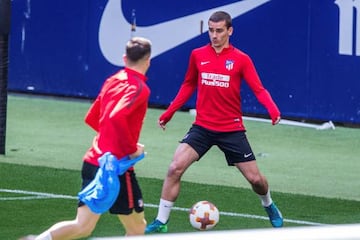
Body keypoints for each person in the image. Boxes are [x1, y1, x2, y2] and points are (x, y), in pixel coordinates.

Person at [145, 11, 283, 233]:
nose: (214, 35)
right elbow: (188, 84)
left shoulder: (241, 59)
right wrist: (169, 112)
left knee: (256, 180)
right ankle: (161, 221)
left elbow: (258, 88)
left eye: (219, 30)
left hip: (231, 129)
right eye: (211, 30)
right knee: (174, 168)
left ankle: (268, 204)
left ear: (230, 31)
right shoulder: (198, 55)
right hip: (202, 127)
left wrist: (273, 109)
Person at [24, 36, 152, 240]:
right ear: (148, 60)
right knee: (137, 229)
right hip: (117, 168)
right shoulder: (140, 89)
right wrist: (131, 148)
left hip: (93, 161)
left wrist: (109, 139)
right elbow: (115, 116)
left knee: (82, 226)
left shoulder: (112, 80)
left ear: (124, 58)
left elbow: (93, 118)